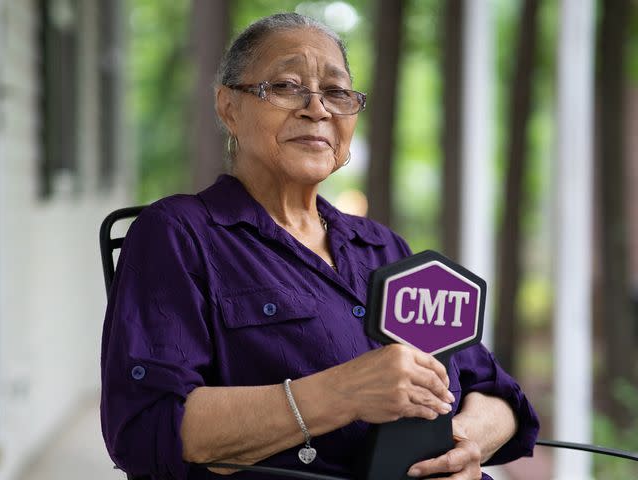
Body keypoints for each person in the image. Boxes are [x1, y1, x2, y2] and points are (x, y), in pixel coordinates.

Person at [101, 12, 539, 480]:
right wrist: (343, 392)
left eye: (336, 92)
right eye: (287, 85)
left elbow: (498, 394)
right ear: (229, 107)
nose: (318, 109)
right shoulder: (180, 233)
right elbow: (145, 427)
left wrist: (461, 447)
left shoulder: (383, 247)